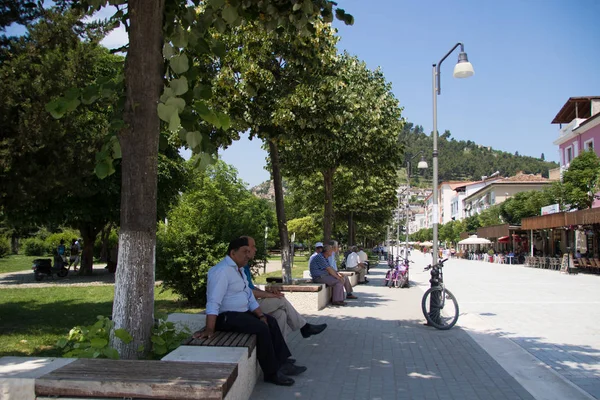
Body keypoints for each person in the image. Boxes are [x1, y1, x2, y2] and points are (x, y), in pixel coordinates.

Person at [193, 236, 304, 386]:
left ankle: (283, 362)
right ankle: (271, 373)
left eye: (248, 251)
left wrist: (260, 314)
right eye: (244, 251)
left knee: (270, 321)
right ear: (233, 253)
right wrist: (209, 328)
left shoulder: (239, 270)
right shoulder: (221, 271)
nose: (248, 254)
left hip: (242, 314)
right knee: (261, 329)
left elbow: (249, 296)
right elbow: (213, 302)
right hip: (226, 317)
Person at [241, 238, 327, 343]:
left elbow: (251, 288)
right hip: (245, 308)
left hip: (252, 303)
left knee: (280, 314)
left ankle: (281, 354)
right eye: (253, 246)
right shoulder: (236, 269)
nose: (256, 249)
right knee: (280, 299)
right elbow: (248, 293)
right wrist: (269, 295)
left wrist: (268, 292)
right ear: (244, 249)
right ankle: (304, 327)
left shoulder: (244, 267)